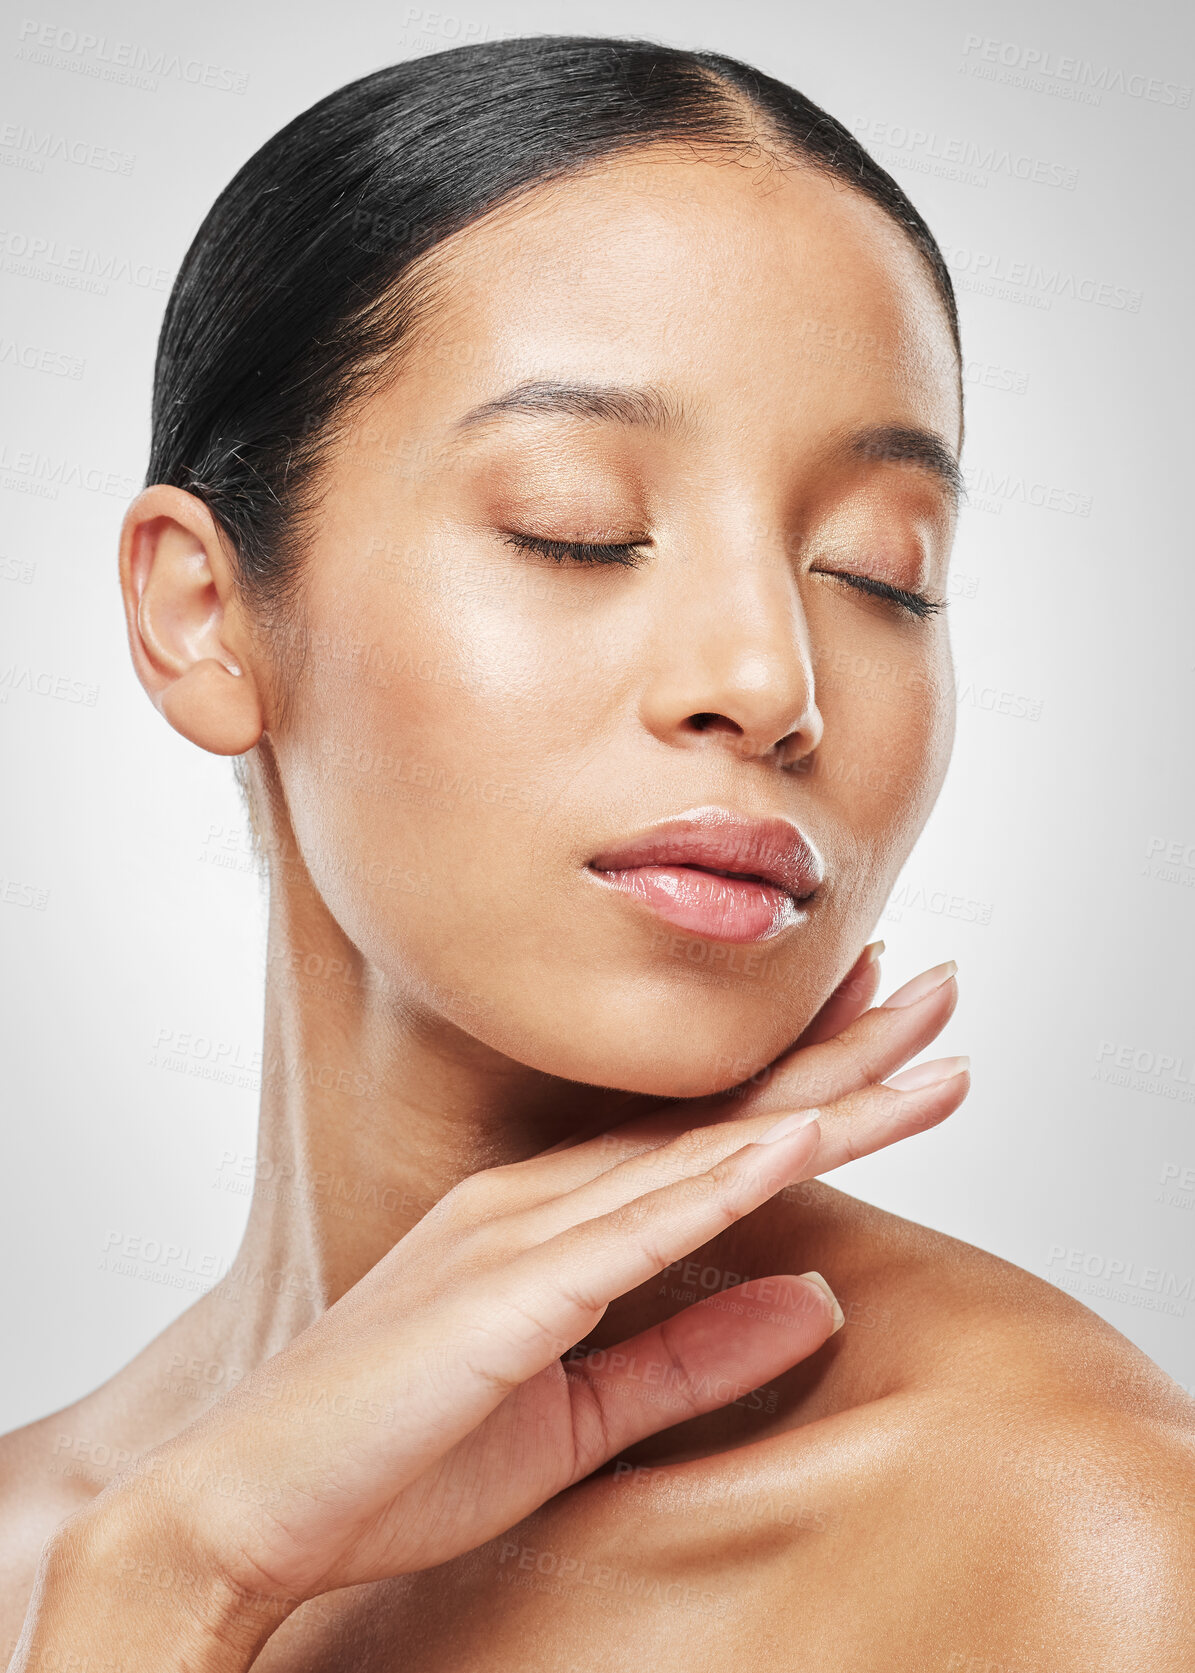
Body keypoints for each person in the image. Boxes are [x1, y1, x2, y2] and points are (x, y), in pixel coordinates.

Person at [4, 34, 1192, 1673]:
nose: (770, 682)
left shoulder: (1076, 1541)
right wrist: (170, 1575)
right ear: (205, 615)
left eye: (881, 571)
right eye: (579, 525)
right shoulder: (53, 1546)